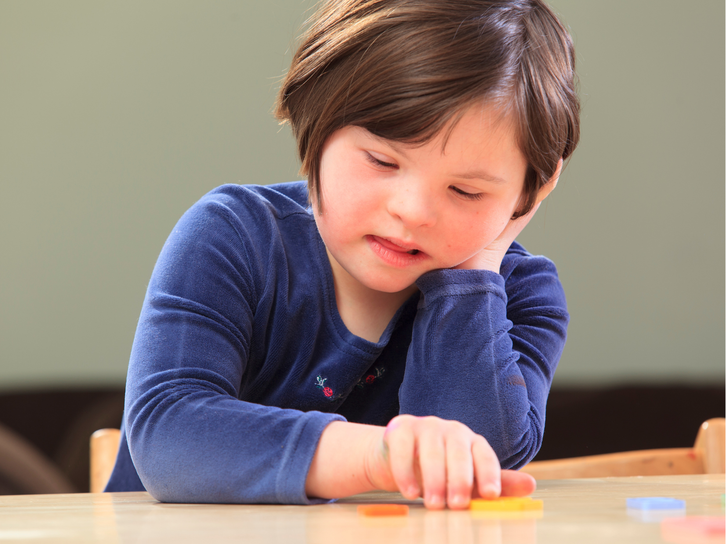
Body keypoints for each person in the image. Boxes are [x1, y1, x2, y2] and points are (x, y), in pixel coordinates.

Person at [105, 0, 580, 510]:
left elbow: (477, 459)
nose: (413, 211)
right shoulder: (234, 236)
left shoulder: (521, 296)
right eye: (382, 161)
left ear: (530, 191)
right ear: (316, 121)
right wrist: (380, 456)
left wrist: (473, 272)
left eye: (466, 192)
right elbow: (168, 431)